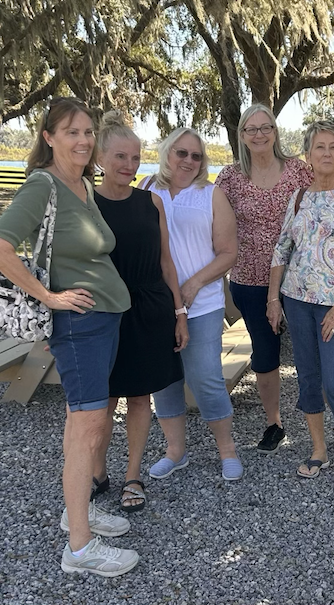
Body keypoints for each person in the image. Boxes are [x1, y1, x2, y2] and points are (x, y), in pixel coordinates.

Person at [0, 98, 138, 576]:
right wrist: (49, 297)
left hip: (105, 320)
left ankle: (75, 511)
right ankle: (78, 549)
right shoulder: (43, 185)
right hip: (79, 326)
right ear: (49, 137)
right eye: (72, 132)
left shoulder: (81, 185)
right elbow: (1, 248)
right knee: (85, 428)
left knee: (93, 425)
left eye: (87, 132)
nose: (83, 140)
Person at [216, 104, 334, 455]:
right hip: (254, 279)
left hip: (315, 289)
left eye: (266, 127)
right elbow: (210, 218)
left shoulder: (299, 172)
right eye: (251, 128)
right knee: (271, 356)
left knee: (329, 367)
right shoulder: (231, 177)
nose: (259, 134)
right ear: (242, 135)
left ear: (276, 133)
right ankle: (276, 425)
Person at [267, 121, 334, 487]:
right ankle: (318, 450)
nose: (326, 153)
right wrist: (273, 297)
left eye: (333, 147)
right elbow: (282, 248)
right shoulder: (298, 196)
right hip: (297, 301)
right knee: (309, 379)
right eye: (319, 147)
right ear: (309, 155)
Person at [92, 111, 189, 512]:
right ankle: (96, 471)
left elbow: (167, 261)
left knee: (138, 397)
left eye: (135, 159)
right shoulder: (83, 202)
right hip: (101, 311)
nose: (129, 167)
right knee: (100, 400)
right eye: (120, 157)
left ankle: (133, 475)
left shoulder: (151, 201)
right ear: (99, 157)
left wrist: (179, 313)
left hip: (149, 307)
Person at [142, 128, 243, 481]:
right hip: (156, 305)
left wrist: (194, 284)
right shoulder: (145, 187)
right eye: (181, 153)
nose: (188, 161)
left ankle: (227, 450)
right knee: (164, 380)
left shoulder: (211, 195)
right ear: (167, 152)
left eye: (196, 156)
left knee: (206, 378)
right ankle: (175, 451)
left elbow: (229, 252)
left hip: (201, 305)